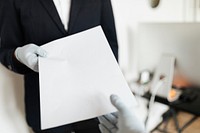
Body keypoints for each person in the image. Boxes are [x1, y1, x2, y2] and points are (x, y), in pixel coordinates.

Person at [0, 0, 118, 132]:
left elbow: (110, 43)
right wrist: (18, 55)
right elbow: (6, 50)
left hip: (96, 108)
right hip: (45, 111)